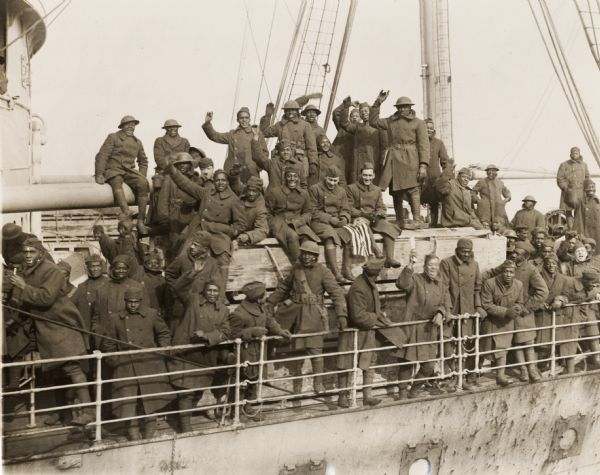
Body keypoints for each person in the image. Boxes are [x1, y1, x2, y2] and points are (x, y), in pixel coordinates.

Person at [7, 238, 94, 426]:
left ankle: (88, 411)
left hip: (62, 326)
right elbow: (24, 302)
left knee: (73, 368)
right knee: (54, 372)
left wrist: (23, 286)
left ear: (40, 253)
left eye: (32, 252)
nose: (28, 255)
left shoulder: (51, 270)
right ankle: (61, 413)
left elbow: (46, 298)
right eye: (26, 252)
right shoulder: (27, 271)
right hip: (44, 328)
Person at [268, 240, 347, 395]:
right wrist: (271, 301)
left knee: (315, 347)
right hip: (294, 312)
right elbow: (284, 287)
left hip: (313, 313)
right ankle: (269, 359)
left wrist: (341, 315)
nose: (306, 257)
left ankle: (318, 383)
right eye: (304, 253)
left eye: (310, 254)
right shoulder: (296, 269)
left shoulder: (324, 272)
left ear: (316, 256)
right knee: (273, 330)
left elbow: (336, 293)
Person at [101, 288, 173, 440]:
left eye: (136, 302)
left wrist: (162, 351)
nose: (133, 305)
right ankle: (134, 436)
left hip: (149, 364)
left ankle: (149, 435)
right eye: (129, 302)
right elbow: (107, 343)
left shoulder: (152, 315)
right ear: (125, 302)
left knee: (151, 400)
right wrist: (115, 360)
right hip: (125, 366)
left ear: (140, 302)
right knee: (128, 403)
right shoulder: (115, 318)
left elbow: (164, 333)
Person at [165, 160, 247, 279]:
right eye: (217, 180)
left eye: (223, 180)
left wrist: (224, 229)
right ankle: (180, 288)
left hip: (219, 235)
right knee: (182, 258)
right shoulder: (206, 193)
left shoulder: (233, 200)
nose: (220, 183)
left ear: (228, 182)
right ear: (213, 181)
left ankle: (220, 295)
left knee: (223, 262)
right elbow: (187, 185)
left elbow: (240, 225)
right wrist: (173, 171)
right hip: (198, 232)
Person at [169, 280, 231, 433]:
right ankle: (184, 426)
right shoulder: (193, 301)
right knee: (186, 391)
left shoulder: (223, 310)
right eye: (209, 290)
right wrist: (194, 273)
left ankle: (181, 419)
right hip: (187, 353)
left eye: (215, 291)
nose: (212, 294)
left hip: (206, 355)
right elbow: (178, 286)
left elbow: (226, 332)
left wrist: (207, 336)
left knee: (199, 389)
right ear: (204, 291)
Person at [229, 281, 291, 417]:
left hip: (259, 351)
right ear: (258, 298)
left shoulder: (260, 307)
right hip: (245, 352)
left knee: (255, 379)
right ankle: (236, 411)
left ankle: (248, 407)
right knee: (242, 381)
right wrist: (252, 331)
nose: (266, 297)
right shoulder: (239, 314)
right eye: (264, 295)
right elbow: (232, 335)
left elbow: (269, 321)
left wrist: (280, 331)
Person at [369, 92, 430, 229]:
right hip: (394, 159)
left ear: (410, 107)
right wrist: (378, 102)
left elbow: (424, 145)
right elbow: (373, 122)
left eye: (405, 107)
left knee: (413, 189)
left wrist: (423, 165)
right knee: (395, 189)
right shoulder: (391, 121)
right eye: (400, 107)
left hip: (411, 159)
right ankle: (399, 220)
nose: (402, 109)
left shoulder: (419, 123)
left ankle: (417, 220)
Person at [395, 252, 452, 399]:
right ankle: (402, 392)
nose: (434, 268)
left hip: (428, 329)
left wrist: (440, 312)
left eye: (436, 265)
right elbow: (402, 284)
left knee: (429, 365)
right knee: (407, 361)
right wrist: (410, 265)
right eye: (430, 265)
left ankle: (415, 389)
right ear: (425, 266)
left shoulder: (441, 283)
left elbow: (446, 303)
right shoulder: (416, 279)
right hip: (413, 326)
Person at [336, 258, 392, 408]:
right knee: (346, 363)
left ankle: (367, 396)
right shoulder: (359, 287)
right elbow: (358, 316)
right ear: (375, 273)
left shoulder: (368, 283)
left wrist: (379, 315)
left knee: (369, 361)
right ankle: (342, 397)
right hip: (353, 332)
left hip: (366, 331)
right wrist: (377, 317)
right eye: (378, 272)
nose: (379, 274)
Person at [439, 238, 486, 390]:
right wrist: (447, 309)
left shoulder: (475, 265)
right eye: (463, 251)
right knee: (448, 343)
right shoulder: (447, 263)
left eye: (468, 252)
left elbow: (477, 288)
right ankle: (454, 374)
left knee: (466, 343)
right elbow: (444, 288)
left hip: (468, 309)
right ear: (457, 250)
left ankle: (468, 376)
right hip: (452, 309)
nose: (466, 254)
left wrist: (478, 306)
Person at [94, 115, 150, 233]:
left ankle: (140, 220)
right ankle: (126, 212)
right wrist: (99, 173)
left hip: (129, 171)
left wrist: (142, 175)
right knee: (117, 183)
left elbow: (143, 161)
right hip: (114, 168)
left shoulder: (137, 142)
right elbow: (102, 155)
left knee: (143, 183)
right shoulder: (113, 137)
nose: (131, 127)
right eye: (128, 124)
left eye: (133, 124)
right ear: (122, 126)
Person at [165, 231, 224, 331]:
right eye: (192, 243)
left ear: (205, 249)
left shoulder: (212, 263)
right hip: (182, 306)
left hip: (201, 307)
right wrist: (177, 291)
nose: (192, 247)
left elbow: (217, 285)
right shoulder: (182, 259)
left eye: (196, 245)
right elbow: (169, 274)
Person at [346, 162, 401, 268]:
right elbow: (348, 207)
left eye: (370, 175)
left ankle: (389, 258)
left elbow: (381, 206)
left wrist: (379, 213)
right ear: (360, 175)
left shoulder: (377, 190)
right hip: (359, 217)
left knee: (388, 226)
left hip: (373, 218)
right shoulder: (351, 188)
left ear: (374, 176)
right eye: (365, 175)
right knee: (363, 224)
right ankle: (377, 251)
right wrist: (362, 214)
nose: (367, 178)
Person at [481, 259, 525, 387]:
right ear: (501, 272)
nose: (508, 274)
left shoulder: (519, 285)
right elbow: (486, 304)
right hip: (491, 322)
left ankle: (500, 375)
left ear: (515, 273)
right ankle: (471, 376)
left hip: (506, 323)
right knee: (485, 349)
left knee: (503, 348)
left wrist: (517, 308)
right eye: (506, 271)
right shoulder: (490, 283)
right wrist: (506, 311)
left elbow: (520, 302)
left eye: (511, 272)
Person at [264, 164, 319, 264]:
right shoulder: (275, 192)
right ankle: (298, 268)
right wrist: (272, 224)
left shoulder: (303, 193)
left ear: (298, 178)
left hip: (298, 221)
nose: (292, 179)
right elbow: (267, 212)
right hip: (280, 222)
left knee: (307, 238)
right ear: (285, 178)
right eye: (289, 176)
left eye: (295, 176)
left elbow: (308, 211)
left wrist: (301, 220)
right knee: (292, 236)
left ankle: (309, 267)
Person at [309, 165, 354, 282]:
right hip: (319, 221)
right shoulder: (315, 189)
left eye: (335, 180)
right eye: (330, 180)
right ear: (325, 178)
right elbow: (312, 211)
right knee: (329, 236)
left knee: (349, 234)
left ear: (338, 180)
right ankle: (335, 272)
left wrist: (344, 218)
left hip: (336, 222)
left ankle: (347, 270)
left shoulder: (341, 191)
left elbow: (346, 209)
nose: (332, 183)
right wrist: (329, 219)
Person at [534, 255, 578, 374]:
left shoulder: (563, 279)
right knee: (541, 344)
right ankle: (539, 367)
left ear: (557, 265)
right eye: (548, 263)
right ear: (544, 264)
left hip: (556, 314)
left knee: (556, 341)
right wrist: (539, 303)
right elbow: (531, 292)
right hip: (541, 314)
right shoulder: (537, 277)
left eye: (553, 263)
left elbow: (568, 294)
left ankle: (553, 365)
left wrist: (560, 299)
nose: (551, 266)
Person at [92, 255, 148, 346]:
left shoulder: (138, 287)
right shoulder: (102, 289)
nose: (121, 271)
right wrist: (97, 333)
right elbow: (97, 316)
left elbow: (145, 313)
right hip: (107, 335)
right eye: (118, 268)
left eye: (124, 268)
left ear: (128, 269)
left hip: (130, 334)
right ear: (112, 269)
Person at [202, 108, 268, 183]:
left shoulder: (256, 133)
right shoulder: (232, 134)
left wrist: (257, 168)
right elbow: (215, 136)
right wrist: (207, 123)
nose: (244, 120)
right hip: (232, 173)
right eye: (241, 118)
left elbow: (265, 153)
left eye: (246, 118)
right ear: (237, 120)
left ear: (250, 119)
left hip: (250, 173)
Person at [261, 100, 318, 180]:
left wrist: (313, 163)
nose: (290, 112)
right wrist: (267, 116)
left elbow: (312, 146)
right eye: (288, 110)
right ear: (285, 111)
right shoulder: (279, 125)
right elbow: (264, 132)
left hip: (298, 160)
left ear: (297, 111)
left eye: (293, 110)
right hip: (282, 160)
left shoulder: (305, 125)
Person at [337, 96, 384, 184]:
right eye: (361, 112)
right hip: (357, 163)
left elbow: (384, 147)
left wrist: (377, 103)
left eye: (366, 111)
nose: (364, 113)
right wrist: (346, 107)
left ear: (371, 112)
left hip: (374, 161)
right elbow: (344, 123)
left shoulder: (379, 127)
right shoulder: (357, 127)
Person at [93, 216, 145, 282]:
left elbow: (119, 256)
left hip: (130, 269)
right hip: (128, 269)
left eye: (122, 229)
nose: (120, 230)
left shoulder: (126, 240)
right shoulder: (125, 239)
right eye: (120, 228)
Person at [71, 254, 109, 342]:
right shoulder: (82, 286)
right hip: (86, 329)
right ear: (87, 268)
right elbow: (70, 305)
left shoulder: (109, 283)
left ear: (102, 267)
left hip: (104, 329)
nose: (95, 269)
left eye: (98, 266)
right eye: (92, 266)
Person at [421, 119, 451, 226]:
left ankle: (434, 224)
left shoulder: (438, 143)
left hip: (434, 178)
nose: (428, 130)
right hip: (420, 177)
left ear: (433, 130)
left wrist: (445, 177)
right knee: (415, 199)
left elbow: (445, 162)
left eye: (430, 128)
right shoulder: (417, 142)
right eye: (426, 128)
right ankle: (417, 224)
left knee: (434, 202)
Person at [570, 271, 600, 369]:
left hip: (588, 311)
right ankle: (569, 362)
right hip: (573, 313)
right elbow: (575, 298)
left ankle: (597, 357)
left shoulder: (593, 289)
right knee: (571, 338)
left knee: (593, 331)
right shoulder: (573, 283)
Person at [557, 146, 590, 229]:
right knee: (568, 212)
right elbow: (560, 178)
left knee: (579, 212)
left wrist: (587, 189)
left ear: (579, 154)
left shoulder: (584, 165)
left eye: (576, 153)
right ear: (570, 154)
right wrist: (566, 188)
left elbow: (587, 177)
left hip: (581, 192)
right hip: (568, 192)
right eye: (573, 153)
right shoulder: (564, 165)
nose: (575, 155)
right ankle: (571, 230)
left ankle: (578, 230)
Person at [473, 164, 511, 228]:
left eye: (493, 171)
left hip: (498, 210)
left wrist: (503, 202)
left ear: (496, 172)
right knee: (485, 227)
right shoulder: (482, 181)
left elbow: (506, 192)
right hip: (485, 210)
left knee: (499, 227)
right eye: (489, 171)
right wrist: (478, 201)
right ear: (486, 172)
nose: (491, 173)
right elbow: (473, 192)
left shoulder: (500, 183)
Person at [237, 177, 269, 247]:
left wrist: (248, 236)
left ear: (259, 192)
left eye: (254, 191)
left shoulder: (260, 208)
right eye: (249, 190)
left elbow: (262, 230)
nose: (251, 193)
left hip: (245, 240)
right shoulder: (242, 198)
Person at [573, 179, 600, 250]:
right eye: (589, 187)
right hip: (585, 231)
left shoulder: (597, 201)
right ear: (585, 189)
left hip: (596, 232)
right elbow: (578, 217)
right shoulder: (581, 201)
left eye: (593, 187)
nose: (591, 189)